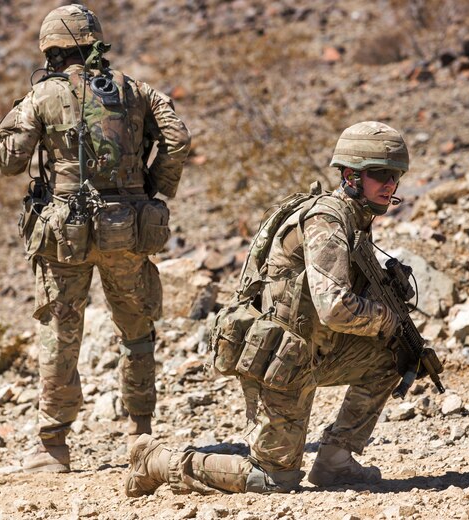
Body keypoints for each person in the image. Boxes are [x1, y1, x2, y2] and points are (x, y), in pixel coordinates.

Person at [126, 121, 409, 495]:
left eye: (395, 176)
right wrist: (384, 318)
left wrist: (392, 328)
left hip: (313, 351)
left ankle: (336, 463)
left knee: (397, 353)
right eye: (380, 174)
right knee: (273, 479)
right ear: (352, 176)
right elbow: (335, 308)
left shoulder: (356, 220)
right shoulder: (327, 220)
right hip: (280, 360)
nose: (389, 184)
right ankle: (158, 462)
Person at [0, 4, 191, 473]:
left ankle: (52, 447)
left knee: (61, 333)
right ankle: (139, 436)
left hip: (66, 233)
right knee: (137, 332)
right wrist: (152, 187)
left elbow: (9, 162)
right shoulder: (136, 89)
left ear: (54, 50)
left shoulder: (44, 95)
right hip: (130, 225)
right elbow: (178, 138)